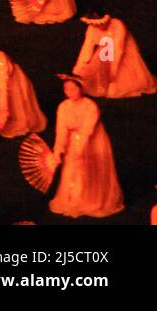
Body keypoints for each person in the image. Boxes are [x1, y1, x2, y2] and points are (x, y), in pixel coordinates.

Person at [47, 74, 124, 218]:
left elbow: (86, 132)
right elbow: (61, 131)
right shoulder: (63, 107)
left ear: (80, 89)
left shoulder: (90, 106)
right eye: (66, 89)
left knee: (88, 168)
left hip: (92, 141)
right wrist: (58, 151)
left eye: (73, 89)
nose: (69, 92)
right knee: (72, 170)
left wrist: (80, 151)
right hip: (72, 140)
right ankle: (74, 199)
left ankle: (92, 198)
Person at [73, 11, 157, 99]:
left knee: (115, 89)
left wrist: (113, 70)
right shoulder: (92, 29)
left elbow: (118, 49)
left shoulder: (117, 25)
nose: (97, 27)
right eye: (94, 25)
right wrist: (79, 67)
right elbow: (87, 47)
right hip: (105, 51)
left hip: (123, 51)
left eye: (99, 24)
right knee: (94, 76)